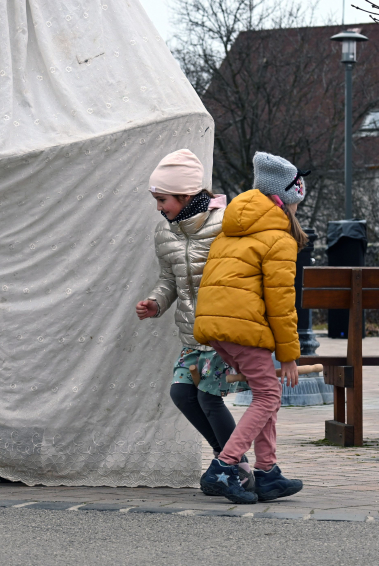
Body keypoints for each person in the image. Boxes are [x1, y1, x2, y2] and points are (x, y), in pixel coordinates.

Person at [135, 149, 255, 493]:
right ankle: (227, 459)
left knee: (208, 398)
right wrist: (155, 303)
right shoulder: (166, 234)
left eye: (163, 200)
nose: (159, 208)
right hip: (191, 334)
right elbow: (168, 281)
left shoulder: (224, 225)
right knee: (181, 394)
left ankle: (233, 466)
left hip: (222, 331)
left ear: (186, 195)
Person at [193, 152, 309, 504]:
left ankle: (268, 473)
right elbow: (280, 302)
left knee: (265, 392)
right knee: (269, 395)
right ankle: (224, 467)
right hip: (244, 327)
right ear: (286, 200)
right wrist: (289, 355)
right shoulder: (278, 238)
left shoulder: (232, 228)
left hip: (215, 325)